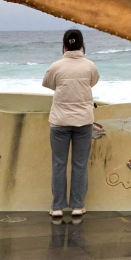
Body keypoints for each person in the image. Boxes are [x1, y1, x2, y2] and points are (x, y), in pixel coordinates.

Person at [41, 28, 99, 218]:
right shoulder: (89, 65)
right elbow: (92, 82)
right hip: (83, 121)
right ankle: (77, 206)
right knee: (79, 164)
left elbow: (48, 84)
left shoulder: (56, 66)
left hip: (59, 121)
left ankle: (57, 207)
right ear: (82, 45)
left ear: (64, 45)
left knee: (59, 164)